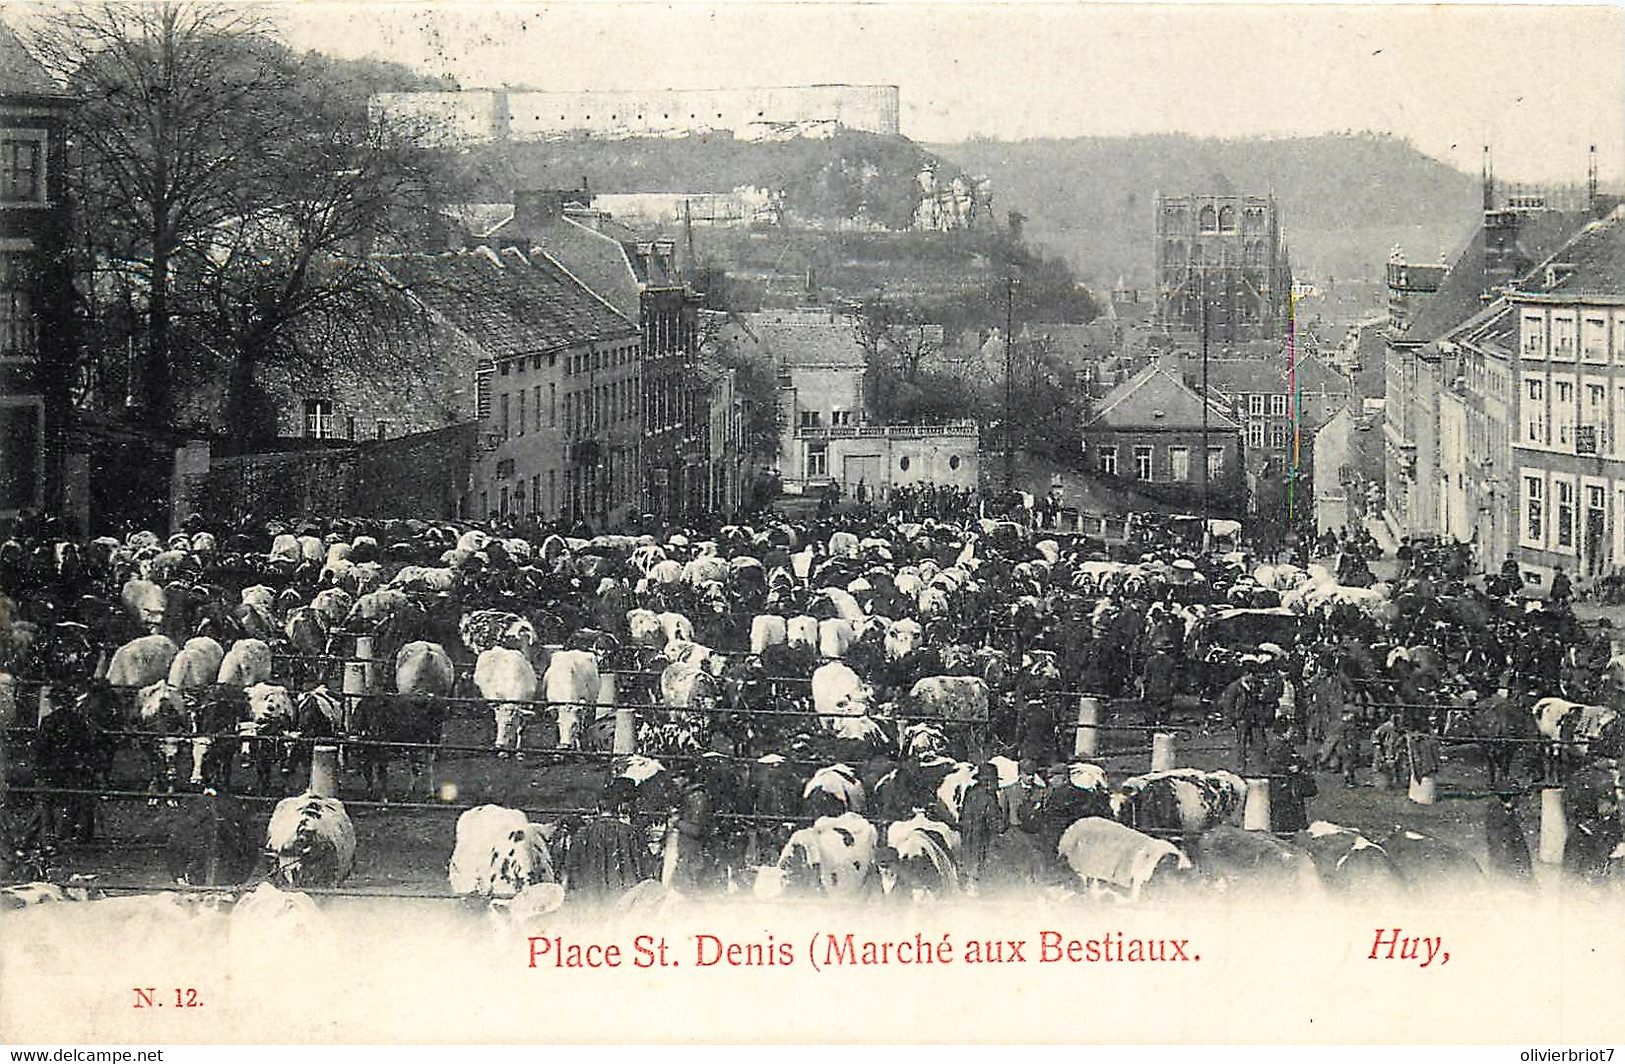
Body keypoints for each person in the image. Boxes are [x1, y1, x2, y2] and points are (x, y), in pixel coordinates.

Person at [563, 777, 656, 901]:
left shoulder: (582, 833)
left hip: (591, 897)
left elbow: (571, 867)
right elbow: (646, 867)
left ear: (597, 808)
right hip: (624, 897)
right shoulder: (631, 832)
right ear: (617, 807)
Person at [1264, 718, 1315, 832]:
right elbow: (1272, 766)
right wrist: (1288, 769)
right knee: (1285, 810)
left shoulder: (1284, 745)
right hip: (1282, 785)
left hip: (1287, 785)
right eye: (1290, 731)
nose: (1292, 734)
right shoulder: (1278, 747)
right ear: (1283, 732)